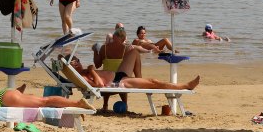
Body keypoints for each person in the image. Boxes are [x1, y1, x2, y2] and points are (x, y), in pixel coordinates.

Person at [69, 56, 200, 93]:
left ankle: (141, 80)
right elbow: (99, 85)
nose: (79, 63)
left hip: (118, 75)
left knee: (134, 51)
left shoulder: (84, 72)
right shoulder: (82, 77)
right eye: (75, 63)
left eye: (78, 60)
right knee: (154, 82)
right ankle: (185, 86)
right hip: (117, 83)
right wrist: (92, 70)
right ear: (72, 67)